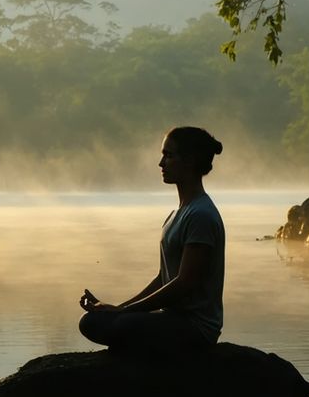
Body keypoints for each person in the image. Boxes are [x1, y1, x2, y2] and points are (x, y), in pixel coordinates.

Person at [78, 126, 225, 355]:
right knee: (93, 321)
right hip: (172, 320)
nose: (161, 163)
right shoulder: (177, 214)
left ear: (189, 160)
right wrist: (120, 308)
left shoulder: (201, 216)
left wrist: (123, 314)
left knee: (106, 324)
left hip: (195, 329)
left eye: (168, 155)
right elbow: (163, 278)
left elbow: (185, 283)